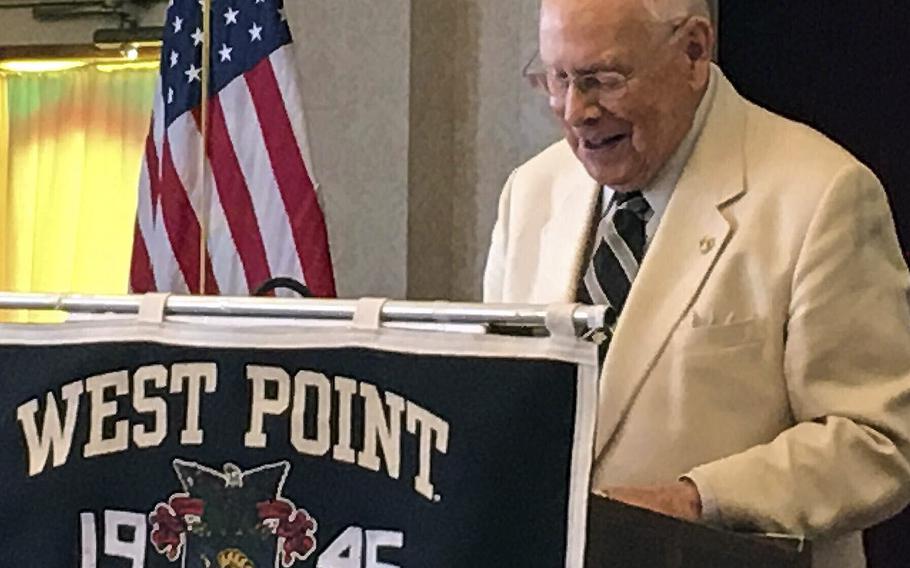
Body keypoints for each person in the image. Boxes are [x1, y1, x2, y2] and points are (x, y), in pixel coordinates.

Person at [482, 0, 910, 566]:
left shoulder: (823, 194)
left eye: (603, 79)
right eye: (556, 78)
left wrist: (697, 499)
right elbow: (497, 395)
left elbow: (876, 441)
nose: (574, 110)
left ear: (692, 52)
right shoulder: (531, 190)